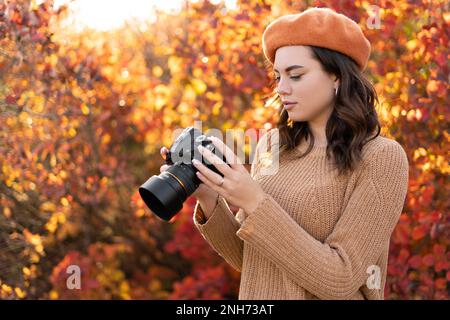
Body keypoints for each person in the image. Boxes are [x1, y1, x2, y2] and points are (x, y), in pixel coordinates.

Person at [160, 7, 409, 300]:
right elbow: (255, 261)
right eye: (278, 76)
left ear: (337, 77)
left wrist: (254, 200)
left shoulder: (382, 157)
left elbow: (341, 278)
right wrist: (209, 198)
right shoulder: (273, 145)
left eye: (296, 75)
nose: (282, 88)